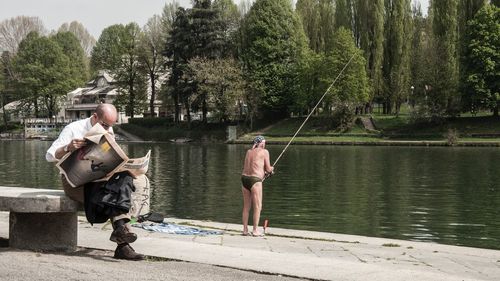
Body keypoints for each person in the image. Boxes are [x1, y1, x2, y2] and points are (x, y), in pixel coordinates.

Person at [46, 104, 149, 260]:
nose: (108, 129)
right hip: (75, 183)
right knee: (112, 194)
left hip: (100, 178)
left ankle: (121, 233)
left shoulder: (107, 130)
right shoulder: (73, 128)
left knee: (125, 178)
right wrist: (67, 148)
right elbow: (49, 156)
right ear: (94, 117)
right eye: (105, 125)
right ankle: (122, 242)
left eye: (110, 126)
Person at [241, 135, 274, 236]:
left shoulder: (248, 152)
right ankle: (255, 230)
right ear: (262, 143)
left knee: (246, 206)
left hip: (244, 179)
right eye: (264, 143)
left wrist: (264, 172)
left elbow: (251, 166)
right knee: (258, 206)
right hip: (255, 180)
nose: (265, 145)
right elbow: (268, 169)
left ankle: (245, 230)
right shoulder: (265, 152)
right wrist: (271, 170)